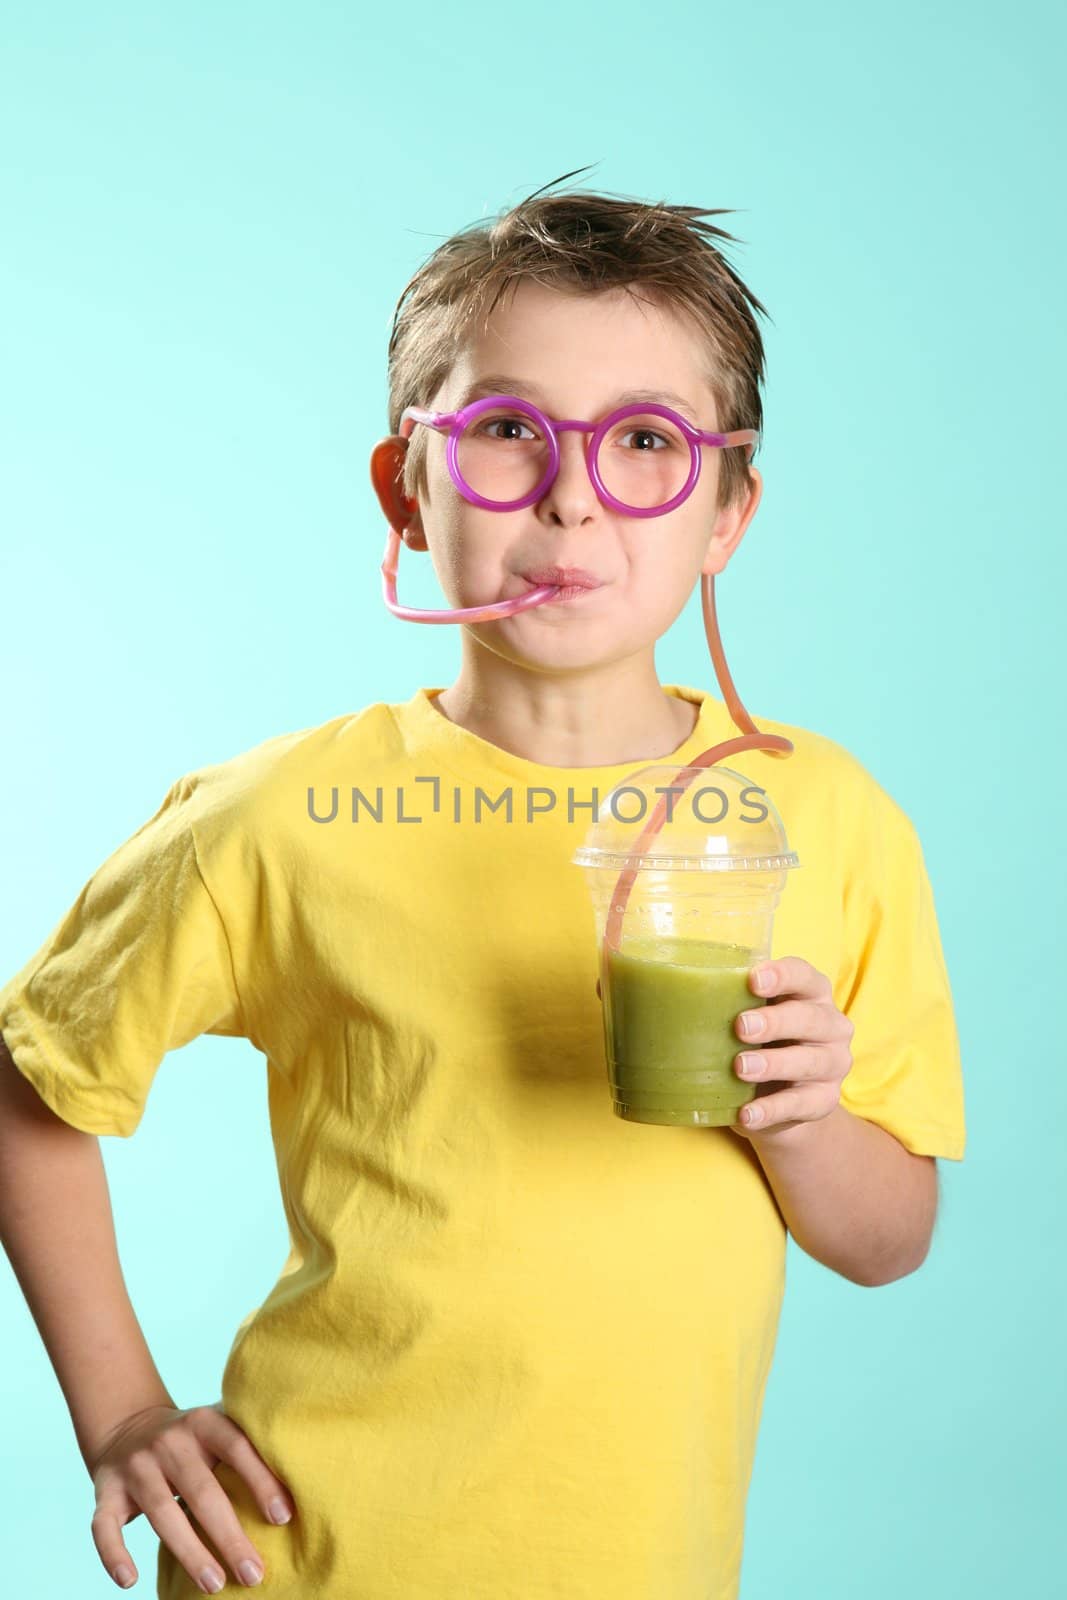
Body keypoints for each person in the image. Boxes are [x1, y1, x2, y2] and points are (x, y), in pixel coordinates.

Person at [0, 176, 966, 1600]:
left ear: (729, 510)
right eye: (509, 429)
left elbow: (889, 1246)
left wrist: (804, 1117)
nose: (573, 493)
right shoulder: (280, 819)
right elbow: (36, 1085)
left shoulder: (825, 818)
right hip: (307, 1560)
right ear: (410, 484)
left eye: (646, 440)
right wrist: (126, 1414)